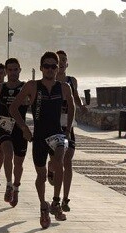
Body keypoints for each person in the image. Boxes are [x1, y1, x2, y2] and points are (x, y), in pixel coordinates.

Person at [10, 51, 75, 229]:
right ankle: (43, 206)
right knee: (41, 175)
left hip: (57, 134)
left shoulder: (64, 87)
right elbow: (14, 108)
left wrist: (68, 130)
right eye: (46, 66)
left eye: (53, 66)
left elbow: (72, 106)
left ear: (57, 68)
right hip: (38, 136)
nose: (50, 69)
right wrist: (24, 128)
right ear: (40, 68)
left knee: (61, 159)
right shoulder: (32, 86)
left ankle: (55, 202)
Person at [46, 50, 88, 212]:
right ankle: (51, 166)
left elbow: (76, 98)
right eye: (59, 61)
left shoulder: (71, 81)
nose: (62, 63)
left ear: (67, 63)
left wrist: (82, 106)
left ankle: (65, 199)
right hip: (52, 127)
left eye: (64, 60)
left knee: (67, 161)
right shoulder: (49, 81)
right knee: (57, 161)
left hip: (68, 126)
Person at [0, 58, 28, 207]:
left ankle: (16, 188)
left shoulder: (25, 87)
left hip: (20, 127)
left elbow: (35, 103)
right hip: (4, 125)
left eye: (15, 69)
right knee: (7, 153)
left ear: (20, 70)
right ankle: (9, 185)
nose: (13, 73)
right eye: (9, 70)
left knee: (19, 163)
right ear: (6, 72)